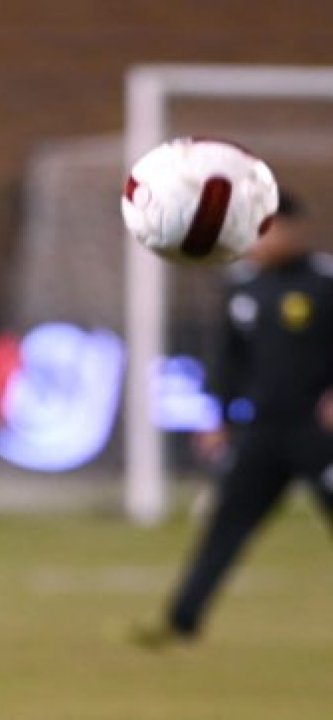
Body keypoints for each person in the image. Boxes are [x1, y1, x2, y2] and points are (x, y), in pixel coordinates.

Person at [129, 190, 333, 648]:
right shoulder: (242, 286)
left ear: (293, 229)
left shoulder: (324, 281)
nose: (259, 241)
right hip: (261, 431)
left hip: (318, 433)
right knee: (226, 524)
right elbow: (230, 360)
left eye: (269, 229)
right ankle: (181, 621)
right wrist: (217, 416)